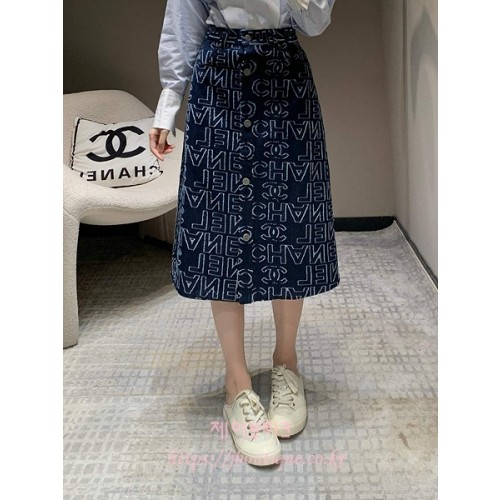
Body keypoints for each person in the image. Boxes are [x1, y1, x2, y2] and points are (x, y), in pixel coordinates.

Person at [149, 0, 339, 467]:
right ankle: (237, 383)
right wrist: (169, 103)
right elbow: (183, 19)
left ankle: (286, 363)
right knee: (222, 227)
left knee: (290, 222)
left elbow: (315, 22)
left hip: (285, 77)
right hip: (220, 78)